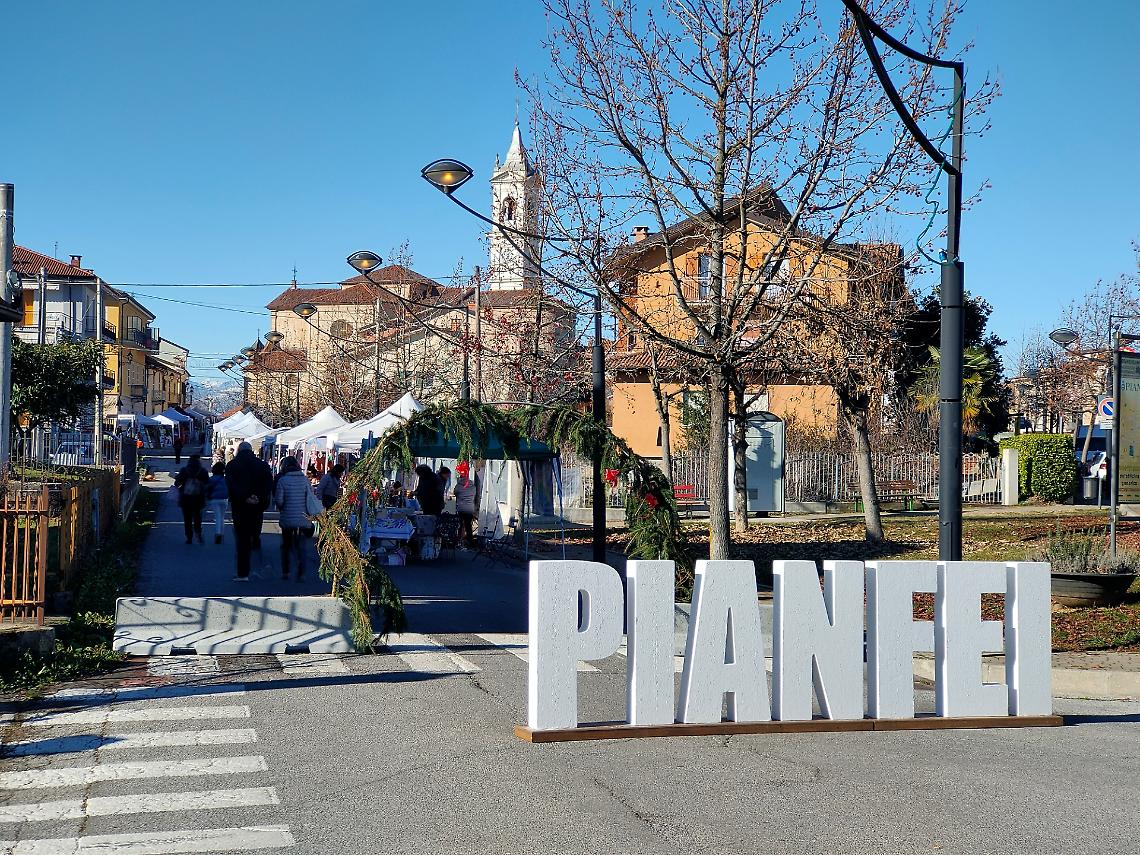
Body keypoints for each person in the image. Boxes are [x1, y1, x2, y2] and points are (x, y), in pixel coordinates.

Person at [225, 441, 273, 582]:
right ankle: (258, 567)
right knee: (255, 536)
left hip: (240, 506)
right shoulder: (263, 465)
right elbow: (268, 484)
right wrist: (258, 497)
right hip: (257, 507)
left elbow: (231, 486)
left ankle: (243, 573)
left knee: (242, 539)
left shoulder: (232, 465)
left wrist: (245, 496)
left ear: (239, 451)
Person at [274, 456, 313, 581]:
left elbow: (279, 501)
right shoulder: (305, 480)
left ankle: (286, 571)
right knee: (301, 546)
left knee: (286, 545)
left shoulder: (283, 481)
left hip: (288, 517)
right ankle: (301, 573)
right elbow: (310, 498)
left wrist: (282, 507)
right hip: (303, 518)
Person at [174, 453, 209, 545]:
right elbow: (207, 484)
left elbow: (177, 483)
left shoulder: (184, 470)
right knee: (198, 517)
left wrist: (178, 480)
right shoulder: (203, 471)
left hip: (185, 498)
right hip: (199, 498)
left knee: (187, 519)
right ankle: (198, 533)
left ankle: (189, 537)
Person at [452, 462, 480, 548]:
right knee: (468, 525)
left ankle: (459, 540)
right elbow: (474, 495)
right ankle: (470, 541)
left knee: (460, 525)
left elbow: (455, 493)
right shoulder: (473, 486)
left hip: (461, 508)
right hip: (470, 508)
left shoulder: (458, 486)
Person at [205, 461, 229, 545]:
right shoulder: (225, 479)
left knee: (218, 516)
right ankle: (221, 533)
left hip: (214, 499)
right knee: (222, 517)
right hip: (224, 499)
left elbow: (207, 488)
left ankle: (218, 533)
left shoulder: (212, 479)